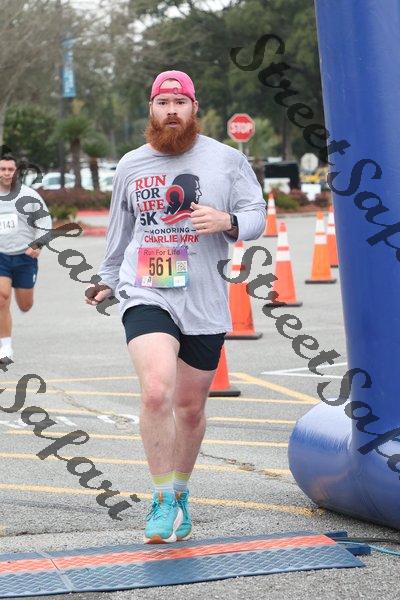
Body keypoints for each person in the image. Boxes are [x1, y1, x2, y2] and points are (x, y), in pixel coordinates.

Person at [86, 70, 266, 543]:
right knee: (155, 391)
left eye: (179, 102)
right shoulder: (131, 165)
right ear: (151, 109)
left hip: (204, 298)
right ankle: (162, 499)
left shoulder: (226, 160)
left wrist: (228, 221)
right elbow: (119, 231)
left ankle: (181, 492)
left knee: (188, 408)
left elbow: (257, 215)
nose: (171, 111)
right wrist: (107, 279)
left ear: (193, 108)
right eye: (162, 103)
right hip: (146, 289)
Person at [0, 154, 51, 364]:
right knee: (2, 298)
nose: (6, 173)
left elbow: (44, 221)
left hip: (24, 257)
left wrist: (38, 244)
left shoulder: (28, 195)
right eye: (2, 169)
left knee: (25, 305)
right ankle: (5, 347)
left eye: (10, 169)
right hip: (1, 256)